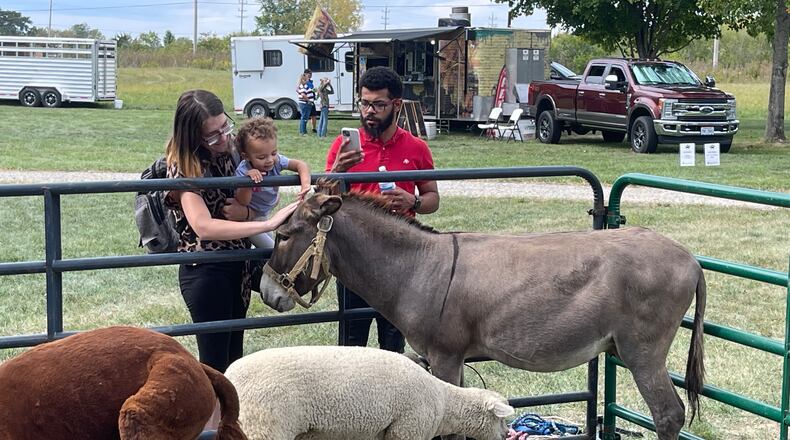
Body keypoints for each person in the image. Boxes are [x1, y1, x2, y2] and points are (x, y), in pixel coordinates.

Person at [164, 89, 299, 373]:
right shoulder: (184, 166)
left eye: (225, 126)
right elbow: (203, 226)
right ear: (192, 137)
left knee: (236, 362)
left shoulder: (232, 149)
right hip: (206, 269)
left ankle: (230, 418)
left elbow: (271, 167)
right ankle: (213, 418)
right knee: (215, 367)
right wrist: (267, 224)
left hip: (239, 265)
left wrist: (248, 214)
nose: (224, 138)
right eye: (213, 135)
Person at [325, 66, 440, 353]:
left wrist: (412, 202)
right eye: (364, 103)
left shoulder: (416, 148)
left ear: (396, 105)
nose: (369, 111)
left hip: (401, 262)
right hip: (354, 258)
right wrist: (338, 171)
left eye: (378, 104)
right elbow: (324, 197)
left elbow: (432, 199)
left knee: (393, 346)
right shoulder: (343, 145)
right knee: (352, 346)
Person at [234, 116, 311, 249]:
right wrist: (247, 182)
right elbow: (243, 201)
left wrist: (305, 184)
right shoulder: (244, 170)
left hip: (265, 214)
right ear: (246, 156)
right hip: (249, 219)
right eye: (262, 157)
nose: (270, 160)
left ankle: (260, 268)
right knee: (271, 250)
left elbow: (300, 165)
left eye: (274, 153)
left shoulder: (277, 161)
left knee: (268, 251)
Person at [296, 70, 316, 135]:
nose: (307, 80)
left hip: (305, 103)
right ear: (303, 80)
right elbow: (303, 95)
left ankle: (303, 131)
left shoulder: (304, 85)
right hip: (305, 104)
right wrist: (309, 100)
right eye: (306, 79)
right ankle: (303, 132)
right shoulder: (303, 86)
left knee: (304, 118)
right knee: (304, 118)